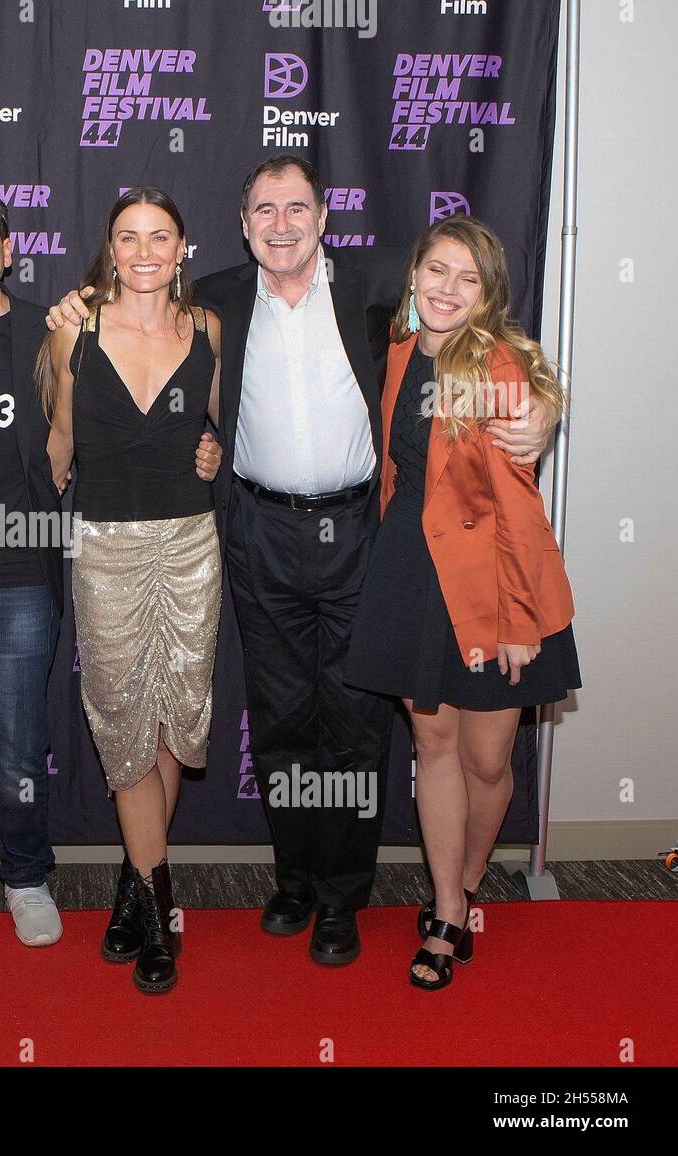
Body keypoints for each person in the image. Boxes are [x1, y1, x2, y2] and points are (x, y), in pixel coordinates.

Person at [48, 156, 556, 967]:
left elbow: (482, 324)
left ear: (323, 218)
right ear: (243, 225)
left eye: (295, 209)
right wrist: (76, 300)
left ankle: (342, 897)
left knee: (354, 728)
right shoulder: (209, 302)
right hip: (258, 532)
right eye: (263, 211)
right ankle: (292, 880)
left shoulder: (385, 287)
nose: (280, 225)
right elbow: (123, 315)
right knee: (281, 723)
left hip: (365, 535)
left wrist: (539, 406)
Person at [0, 187, 223, 949]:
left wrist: (214, 446)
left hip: (20, 568)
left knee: (18, 742)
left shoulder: (50, 330)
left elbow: (182, 422)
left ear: (11, 250)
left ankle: (30, 877)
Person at [344, 216, 579, 990]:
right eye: (436, 271)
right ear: (413, 274)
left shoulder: (498, 368)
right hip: (410, 570)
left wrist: (516, 623)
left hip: (489, 583)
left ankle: (470, 879)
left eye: (467, 279)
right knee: (432, 748)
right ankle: (447, 910)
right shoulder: (403, 349)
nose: (446, 289)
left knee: (487, 760)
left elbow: (519, 513)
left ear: (488, 295)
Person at [40, 187, 222, 993]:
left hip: (191, 546)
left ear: (183, 246)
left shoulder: (209, 329)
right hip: (107, 547)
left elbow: (217, 425)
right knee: (122, 724)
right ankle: (157, 908)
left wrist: (211, 443)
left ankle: (134, 881)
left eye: (160, 236)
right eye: (128, 237)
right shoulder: (72, 333)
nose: (144, 251)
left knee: (175, 722)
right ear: (109, 249)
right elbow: (58, 446)